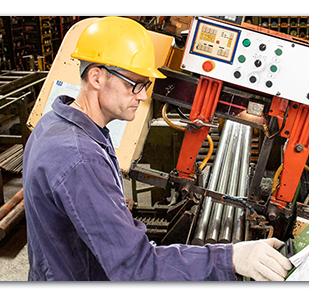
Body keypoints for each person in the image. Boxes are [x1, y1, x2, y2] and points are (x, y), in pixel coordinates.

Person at [23, 16, 292, 281]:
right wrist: (232, 258)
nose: (142, 96)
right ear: (96, 77)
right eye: (135, 85)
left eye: (146, 85)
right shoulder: (81, 160)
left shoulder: (53, 122)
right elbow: (136, 268)